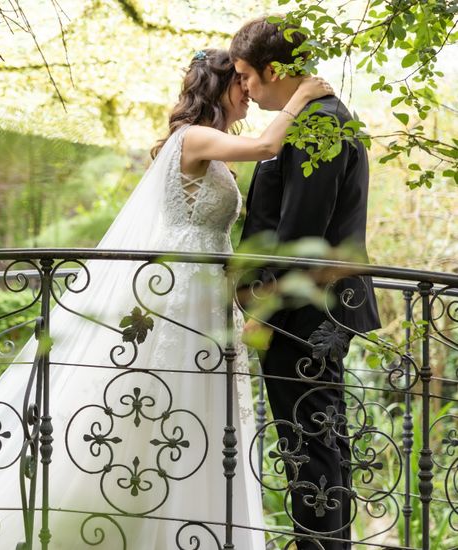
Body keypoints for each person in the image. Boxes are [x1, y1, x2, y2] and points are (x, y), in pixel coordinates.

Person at [0, 50, 331, 549]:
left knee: (191, 410)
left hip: (204, 295)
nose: (248, 91)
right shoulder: (193, 137)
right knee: (152, 406)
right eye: (239, 82)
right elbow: (267, 147)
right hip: (176, 294)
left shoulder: (211, 144)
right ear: (219, 87)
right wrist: (302, 95)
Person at [230, 16, 382, 550]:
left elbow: (303, 234)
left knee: (310, 442)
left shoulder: (319, 124)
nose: (244, 86)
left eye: (247, 76)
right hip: (312, 309)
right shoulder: (319, 117)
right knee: (319, 440)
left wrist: (262, 312)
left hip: (308, 313)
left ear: (272, 70)